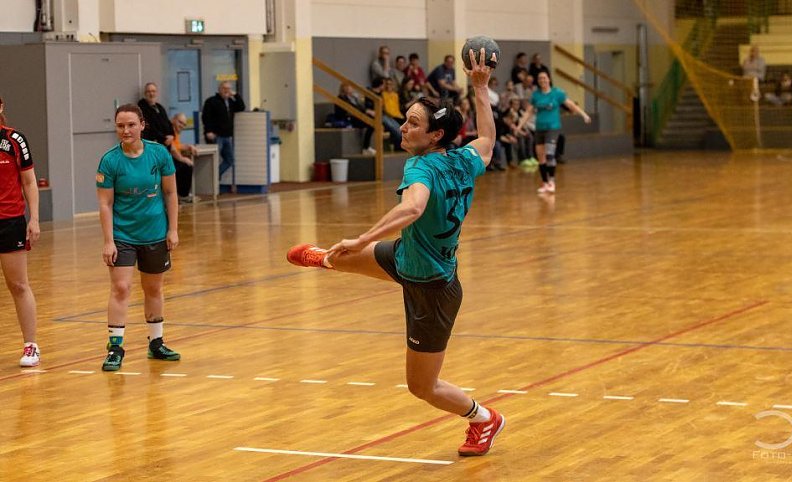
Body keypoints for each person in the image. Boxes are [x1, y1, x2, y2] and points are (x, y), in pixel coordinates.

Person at [286, 48, 505, 457]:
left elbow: (413, 207)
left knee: (423, 387)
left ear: (434, 135)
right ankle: (327, 257)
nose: (403, 127)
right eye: (405, 119)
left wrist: (361, 237)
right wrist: (480, 87)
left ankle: (483, 418)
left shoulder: (420, 168)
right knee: (347, 257)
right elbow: (489, 139)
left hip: (432, 287)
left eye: (413, 123)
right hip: (408, 256)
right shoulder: (464, 159)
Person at [96, 104, 181, 371]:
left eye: (131, 125)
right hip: (123, 234)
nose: (126, 130)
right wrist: (108, 240)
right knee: (121, 288)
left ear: (142, 125)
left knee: (153, 288)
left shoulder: (158, 154)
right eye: (120, 126)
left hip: (155, 233)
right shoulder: (110, 161)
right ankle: (115, 348)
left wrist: (173, 229)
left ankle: (156, 343)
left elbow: (170, 193)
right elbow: (105, 204)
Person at [0, 95, 41, 367]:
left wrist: (34, 218)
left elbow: (29, 181)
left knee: (18, 284)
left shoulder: (15, 140)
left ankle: (31, 346)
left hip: (10, 220)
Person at [516, 71, 591, 194]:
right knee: (541, 157)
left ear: (549, 79)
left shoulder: (557, 93)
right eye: (540, 78)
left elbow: (571, 105)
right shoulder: (536, 95)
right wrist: (519, 126)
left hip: (553, 128)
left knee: (550, 154)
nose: (542, 80)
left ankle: (552, 181)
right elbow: (529, 112)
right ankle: (545, 183)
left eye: (544, 78)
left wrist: (584, 115)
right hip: (539, 128)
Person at [202, 81, 245, 180]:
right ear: (219, 89)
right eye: (224, 88)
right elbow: (206, 117)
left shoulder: (230, 102)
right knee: (214, 159)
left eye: (229, 88)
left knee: (230, 160)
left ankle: (215, 176)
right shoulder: (211, 101)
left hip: (227, 136)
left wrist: (236, 95)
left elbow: (241, 107)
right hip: (216, 135)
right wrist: (208, 131)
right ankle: (213, 183)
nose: (227, 91)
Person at [169, 113, 196, 202]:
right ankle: (182, 195)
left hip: (172, 158)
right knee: (186, 166)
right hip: (167, 159)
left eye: (184, 124)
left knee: (187, 165)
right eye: (180, 122)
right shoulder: (169, 131)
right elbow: (172, 149)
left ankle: (182, 194)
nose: (182, 126)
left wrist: (188, 147)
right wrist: (183, 158)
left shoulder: (176, 132)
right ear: (173, 120)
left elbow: (177, 146)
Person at [138, 82, 174, 148]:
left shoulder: (160, 107)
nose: (151, 94)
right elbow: (150, 127)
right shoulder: (142, 109)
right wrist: (164, 138)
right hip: (153, 144)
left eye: (153, 91)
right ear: (145, 94)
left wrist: (172, 135)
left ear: (156, 93)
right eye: (148, 91)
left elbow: (168, 122)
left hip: (166, 143)